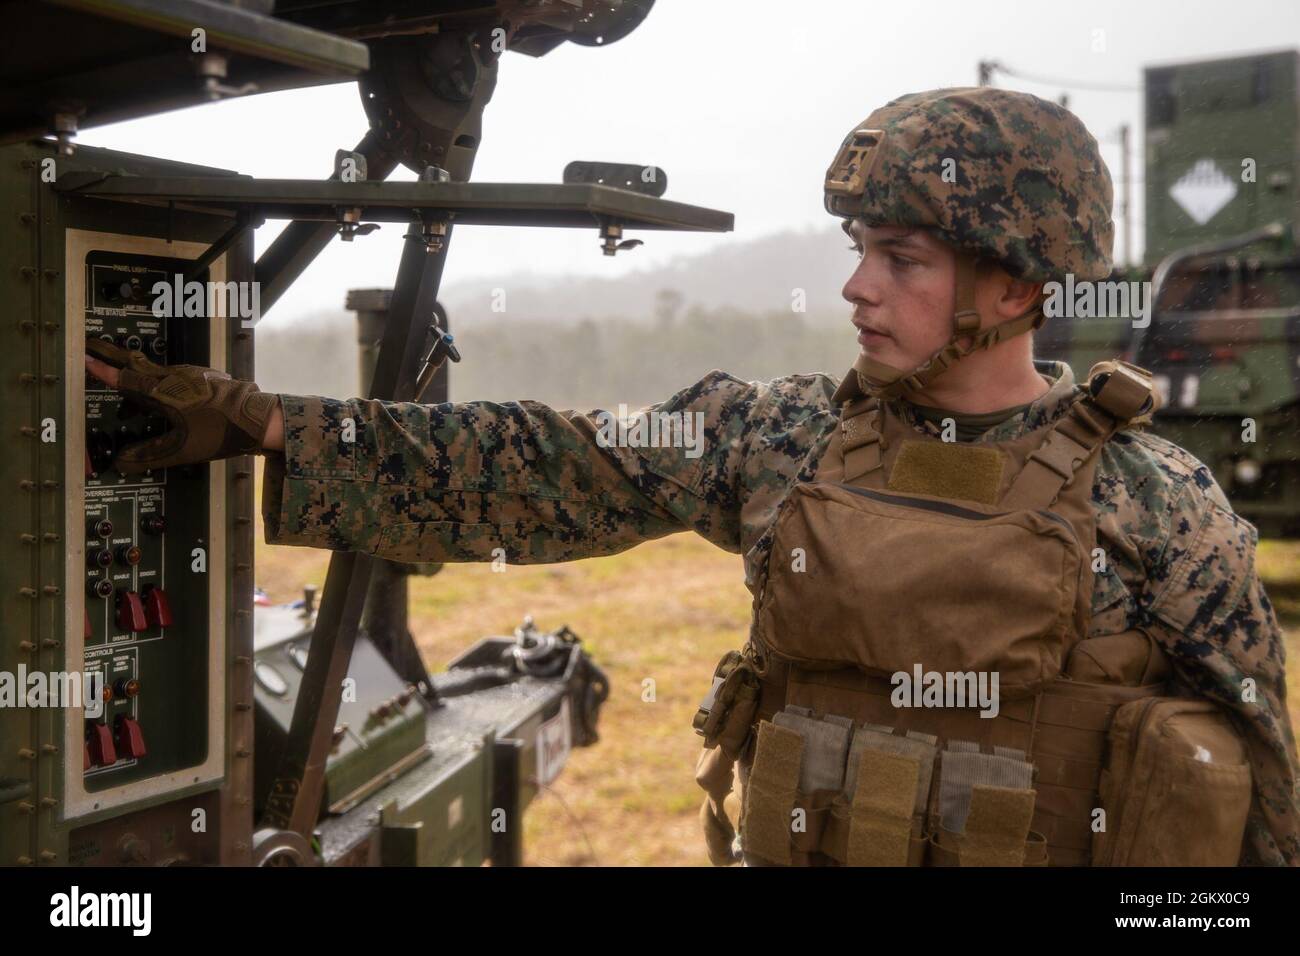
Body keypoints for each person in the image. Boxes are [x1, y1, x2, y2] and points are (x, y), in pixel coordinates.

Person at [86, 87, 1297, 867]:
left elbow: (1257, 788)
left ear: (1020, 286)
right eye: (858, 252)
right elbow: (536, 463)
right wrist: (260, 419)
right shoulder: (775, 438)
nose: (856, 288)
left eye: (903, 258)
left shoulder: (1160, 503)